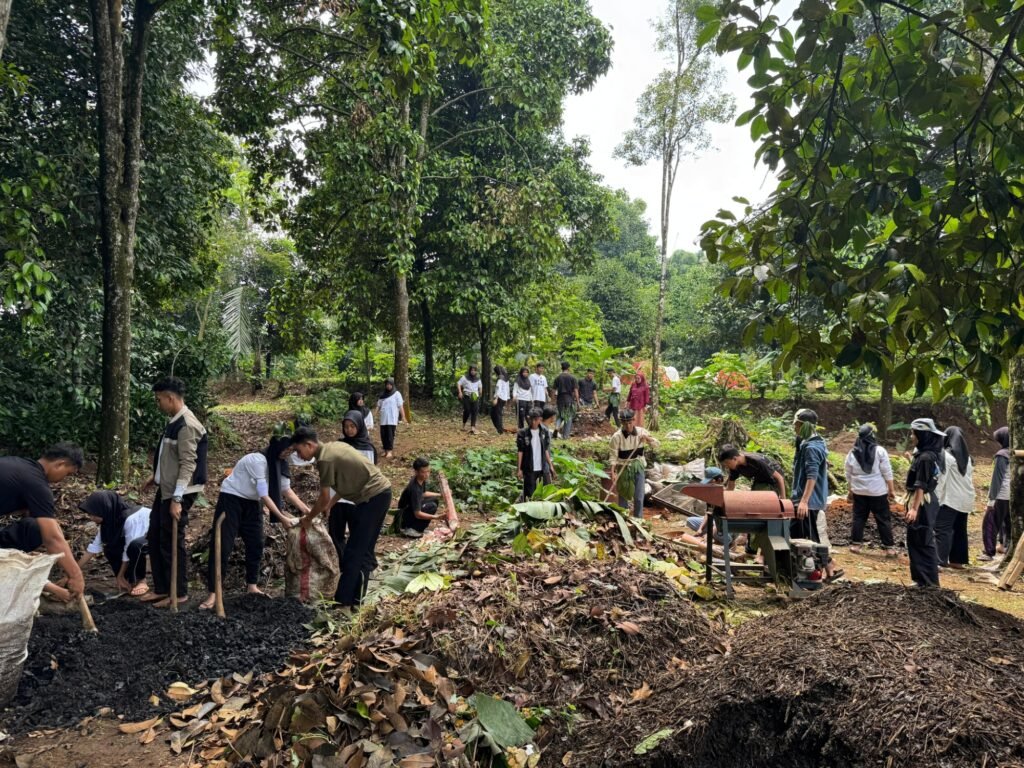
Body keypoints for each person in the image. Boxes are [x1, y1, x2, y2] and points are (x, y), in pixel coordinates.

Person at [198, 435, 307, 610]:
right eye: (286, 449)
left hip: (252, 502)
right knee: (222, 545)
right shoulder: (257, 460)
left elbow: (286, 490)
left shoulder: (280, 463)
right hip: (232, 498)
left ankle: (252, 586)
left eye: (291, 450)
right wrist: (283, 519)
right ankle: (213, 593)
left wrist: (308, 511)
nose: (288, 453)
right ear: (277, 447)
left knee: (256, 543)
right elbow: (264, 494)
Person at [292, 426, 392, 608]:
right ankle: (356, 600)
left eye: (299, 451)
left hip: (373, 497)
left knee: (354, 551)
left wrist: (308, 519)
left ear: (309, 445)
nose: (299, 456)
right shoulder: (334, 447)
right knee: (363, 550)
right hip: (380, 494)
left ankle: (343, 601)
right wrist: (330, 505)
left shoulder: (325, 459)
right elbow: (344, 483)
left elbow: (323, 496)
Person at [142, 376, 208, 608]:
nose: (158, 403)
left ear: (170, 398)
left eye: (159, 399)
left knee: (171, 539)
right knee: (155, 535)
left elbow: (188, 463)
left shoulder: (187, 424)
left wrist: (178, 499)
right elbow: (170, 456)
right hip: (168, 487)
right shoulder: (174, 421)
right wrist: (157, 476)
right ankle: (162, 588)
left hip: (181, 490)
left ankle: (178, 592)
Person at [0, 443, 86, 602]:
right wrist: (76, 575)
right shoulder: (36, 484)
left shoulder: (21, 466)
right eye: (67, 474)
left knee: (34, 528)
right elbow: (52, 538)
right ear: (60, 464)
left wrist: (67, 562)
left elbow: (52, 528)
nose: (63, 480)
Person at [790, 409, 841, 581]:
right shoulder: (809, 442)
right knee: (799, 535)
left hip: (808, 501)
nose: (794, 427)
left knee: (809, 538)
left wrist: (804, 501)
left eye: (796, 424)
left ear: (804, 425)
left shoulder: (812, 447)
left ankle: (826, 566)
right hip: (802, 498)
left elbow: (812, 476)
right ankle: (826, 567)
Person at [77, 491, 151, 597]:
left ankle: (140, 580)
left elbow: (128, 549)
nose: (91, 518)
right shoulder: (109, 522)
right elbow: (93, 549)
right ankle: (127, 580)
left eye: (93, 514)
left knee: (134, 547)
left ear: (104, 510)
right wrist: (71, 574)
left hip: (156, 537)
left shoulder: (131, 519)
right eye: (90, 515)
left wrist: (119, 575)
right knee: (110, 548)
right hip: (135, 542)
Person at [842, 425, 897, 556]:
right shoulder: (880, 451)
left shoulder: (852, 452)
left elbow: (848, 473)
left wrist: (851, 490)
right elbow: (887, 471)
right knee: (883, 519)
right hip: (877, 491)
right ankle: (889, 548)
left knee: (859, 517)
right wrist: (891, 490)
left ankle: (856, 545)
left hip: (859, 491)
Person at [904, 418, 945, 586]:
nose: (911, 437)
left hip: (921, 502)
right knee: (917, 540)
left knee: (922, 540)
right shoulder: (928, 455)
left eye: (914, 433)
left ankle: (928, 582)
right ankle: (921, 580)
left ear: (922, 435)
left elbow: (920, 484)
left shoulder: (926, 457)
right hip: (925, 500)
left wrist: (914, 509)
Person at [609, 408, 659, 518]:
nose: (628, 426)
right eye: (625, 423)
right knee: (623, 494)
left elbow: (656, 444)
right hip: (623, 466)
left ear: (634, 420)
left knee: (639, 496)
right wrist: (613, 472)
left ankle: (638, 519)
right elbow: (613, 456)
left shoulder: (641, 432)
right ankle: (623, 518)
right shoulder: (616, 437)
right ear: (621, 422)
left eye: (629, 422)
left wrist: (647, 438)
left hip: (638, 466)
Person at [937, 426, 973, 568]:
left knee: (942, 528)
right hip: (966, 498)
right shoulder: (968, 457)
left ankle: (940, 560)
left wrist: (936, 497)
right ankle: (958, 561)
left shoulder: (947, 456)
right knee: (960, 529)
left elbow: (941, 478)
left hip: (951, 498)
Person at [981, 426, 1011, 561]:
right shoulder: (1015, 453)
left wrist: (991, 501)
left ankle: (989, 552)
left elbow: (997, 480)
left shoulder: (1002, 455)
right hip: (1013, 496)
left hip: (1001, 495)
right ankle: (1007, 548)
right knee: (1008, 524)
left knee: (990, 523)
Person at [398, 458, 443, 538]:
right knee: (432, 506)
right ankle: (413, 529)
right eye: (423, 472)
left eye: (428, 471)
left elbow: (423, 494)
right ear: (416, 472)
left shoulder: (420, 479)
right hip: (405, 517)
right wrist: (436, 517)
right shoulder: (414, 489)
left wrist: (440, 494)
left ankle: (417, 527)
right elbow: (418, 514)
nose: (427, 474)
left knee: (434, 500)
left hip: (410, 510)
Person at [516, 408, 555, 500]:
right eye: (532, 419)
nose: (533, 422)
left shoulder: (544, 432)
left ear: (540, 419)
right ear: (529, 419)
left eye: (536, 420)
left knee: (544, 492)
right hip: (529, 467)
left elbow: (546, 450)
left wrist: (550, 466)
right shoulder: (523, 433)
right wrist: (519, 469)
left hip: (542, 467)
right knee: (529, 493)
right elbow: (520, 451)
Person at [719, 444, 786, 496]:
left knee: (761, 496)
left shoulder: (756, 461)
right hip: (759, 479)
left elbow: (779, 477)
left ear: (734, 459)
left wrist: (783, 498)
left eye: (727, 463)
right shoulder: (734, 467)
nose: (726, 466)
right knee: (753, 497)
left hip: (774, 480)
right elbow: (730, 487)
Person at [377, 377, 404, 459]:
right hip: (383, 418)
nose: (388, 386)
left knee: (390, 435)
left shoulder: (397, 394)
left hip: (392, 418)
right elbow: (378, 405)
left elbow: (400, 406)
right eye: (387, 384)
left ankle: (389, 451)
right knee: (383, 435)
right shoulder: (382, 395)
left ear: (392, 385)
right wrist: (374, 414)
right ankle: (385, 450)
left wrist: (403, 416)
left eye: (390, 384)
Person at [553, 362, 580, 439]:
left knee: (560, 415)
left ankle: (557, 427)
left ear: (561, 368)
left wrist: (553, 400)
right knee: (568, 417)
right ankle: (565, 436)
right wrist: (578, 402)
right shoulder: (572, 378)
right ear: (568, 368)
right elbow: (576, 391)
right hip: (569, 399)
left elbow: (554, 390)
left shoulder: (558, 377)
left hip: (560, 399)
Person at [457, 365, 483, 434]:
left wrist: (480, 392)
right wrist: (460, 392)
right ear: (469, 371)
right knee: (467, 410)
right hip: (467, 396)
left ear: (476, 371)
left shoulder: (478, 379)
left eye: (474, 370)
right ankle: (463, 425)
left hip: (475, 397)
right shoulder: (464, 377)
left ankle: (472, 427)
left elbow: (480, 387)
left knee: (474, 411)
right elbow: (458, 383)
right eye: (472, 370)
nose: (473, 372)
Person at [491, 366, 510, 435]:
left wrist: (496, 398)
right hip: (504, 398)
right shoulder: (506, 379)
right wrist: (507, 398)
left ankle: (500, 430)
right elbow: (507, 390)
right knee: (497, 413)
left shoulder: (500, 379)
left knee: (496, 414)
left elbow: (498, 389)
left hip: (499, 398)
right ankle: (500, 428)